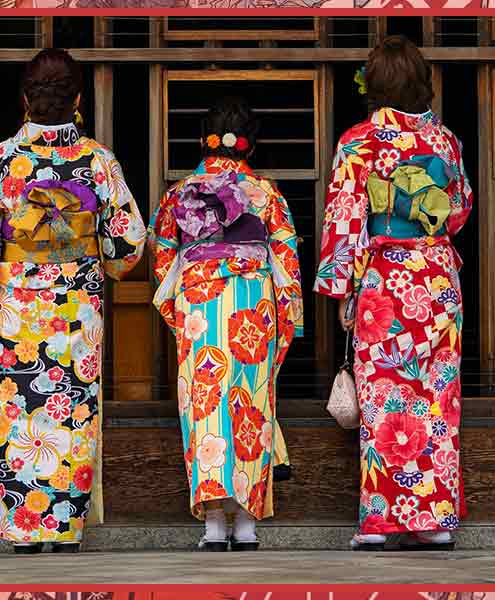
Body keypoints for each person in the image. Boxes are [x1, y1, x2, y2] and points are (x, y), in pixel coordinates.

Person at [0, 48, 146, 554]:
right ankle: (65, 528)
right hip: (76, 302)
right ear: (78, 99)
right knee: (73, 411)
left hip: (22, 301)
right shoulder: (97, 161)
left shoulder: (3, 159)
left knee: (21, 411)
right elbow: (127, 242)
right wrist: (99, 255)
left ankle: (24, 528)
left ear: (25, 99)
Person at [314, 35, 473, 551]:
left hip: (385, 278)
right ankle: (433, 520)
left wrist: (341, 287)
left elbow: (344, 217)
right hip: (436, 276)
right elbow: (460, 209)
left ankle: (382, 520)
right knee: (436, 397)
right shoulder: (445, 141)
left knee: (385, 396)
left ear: (373, 85)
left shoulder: (358, 142)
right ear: (422, 82)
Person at [150, 97, 304, 551]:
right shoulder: (267, 194)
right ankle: (248, 524)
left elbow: (163, 259)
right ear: (249, 147)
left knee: (205, 405)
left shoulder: (179, 194)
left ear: (204, 141)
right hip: (254, 303)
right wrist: (285, 319)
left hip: (200, 303)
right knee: (251, 404)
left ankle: (214, 525)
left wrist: (178, 314)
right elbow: (288, 261)